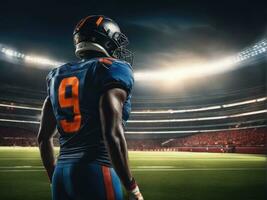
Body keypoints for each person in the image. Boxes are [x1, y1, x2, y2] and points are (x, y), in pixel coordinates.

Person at [37, 15, 143, 200]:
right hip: (96, 170)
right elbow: (112, 134)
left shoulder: (57, 75)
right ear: (105, 39)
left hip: (61, 172)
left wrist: (55, 177)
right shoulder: (111, 69)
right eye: (115, 41)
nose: (118, 48)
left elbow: (43, 138)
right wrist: (132, 187)